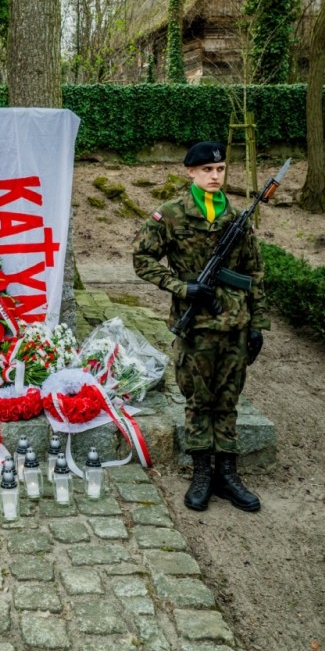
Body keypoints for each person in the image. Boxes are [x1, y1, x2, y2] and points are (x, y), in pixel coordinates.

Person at [132, 141, 268, 513]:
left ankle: (227, 473)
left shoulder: (237, 218)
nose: (215, 175)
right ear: (190, 171)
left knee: (227, 401)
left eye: (220, 169)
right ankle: (202, 472)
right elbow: (142, 258)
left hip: (235, 325)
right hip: (196, 327)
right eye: (207, 170)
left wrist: (257, 324)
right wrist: (181, 287)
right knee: (198, 401)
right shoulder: (171, 214)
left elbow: (254, 272)